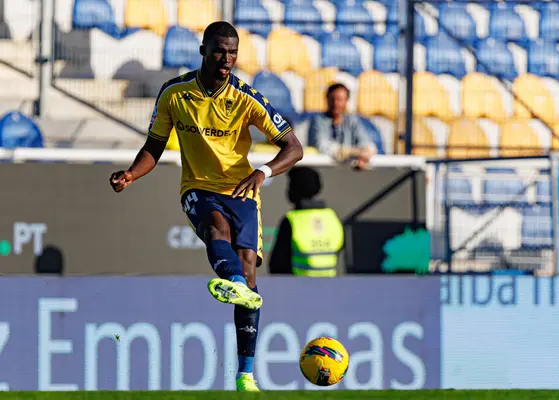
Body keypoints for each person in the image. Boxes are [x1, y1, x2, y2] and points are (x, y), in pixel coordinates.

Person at [109, 21, 303, 392]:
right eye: (219, 50)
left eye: (233, 52)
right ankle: (229, 282)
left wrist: (262, 173)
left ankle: (245, 374)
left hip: (243, 189)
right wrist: (132, 174)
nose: (226, 59)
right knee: (217, 228)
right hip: (198, 187)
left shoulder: (247, 98)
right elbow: (155, 145)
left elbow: (293, 147)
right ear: (203, 49)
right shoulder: (174, 94)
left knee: (250, 278)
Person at [269, 166, 344, 276]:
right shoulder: (331, 216)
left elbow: (277, 264)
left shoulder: (292, 219)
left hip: (297, 286)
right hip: (329, 284)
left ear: (293, 188)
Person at [308, 83, 376, 170]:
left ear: (346, 101)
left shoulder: (352, 120)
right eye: (332, 99)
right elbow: (322, 146)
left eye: (339, 99)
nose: (335, 103)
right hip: (321, 171)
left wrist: (362, 157)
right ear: (327, 99)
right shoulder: (318, 120)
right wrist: (354, 153)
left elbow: (367, 145)